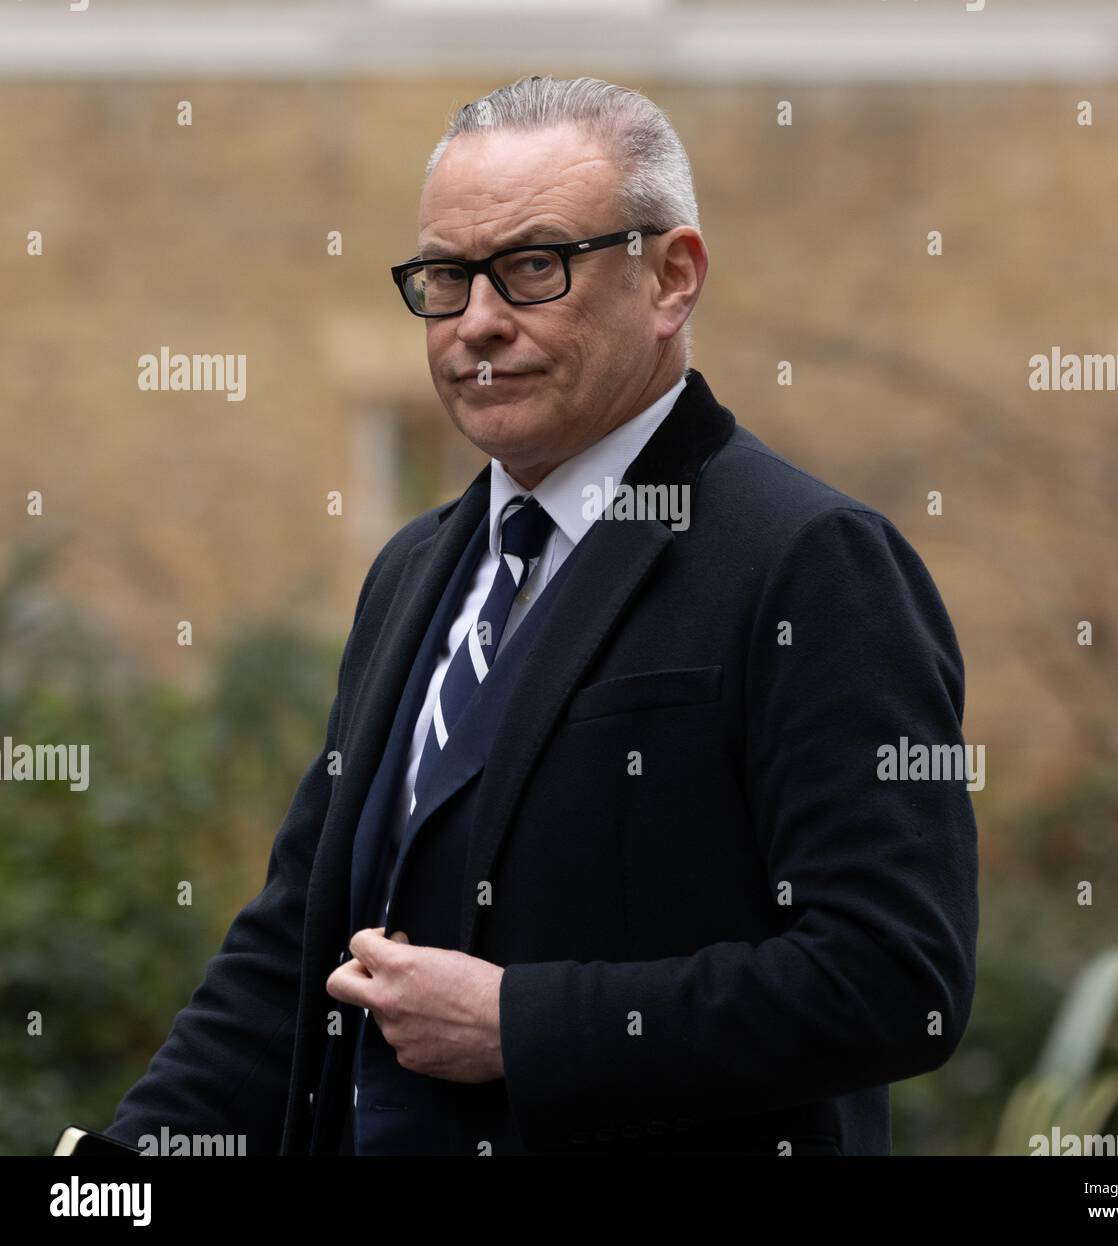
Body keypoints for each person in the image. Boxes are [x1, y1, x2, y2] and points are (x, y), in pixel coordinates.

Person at [105, 74, 978, 1156]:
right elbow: (300, 944)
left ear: (671, 277)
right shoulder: (413, 569)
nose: (476, 324)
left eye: (531, 268)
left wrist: (520, 1023)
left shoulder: (810, 563)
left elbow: (894, 976)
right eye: (444, 277)